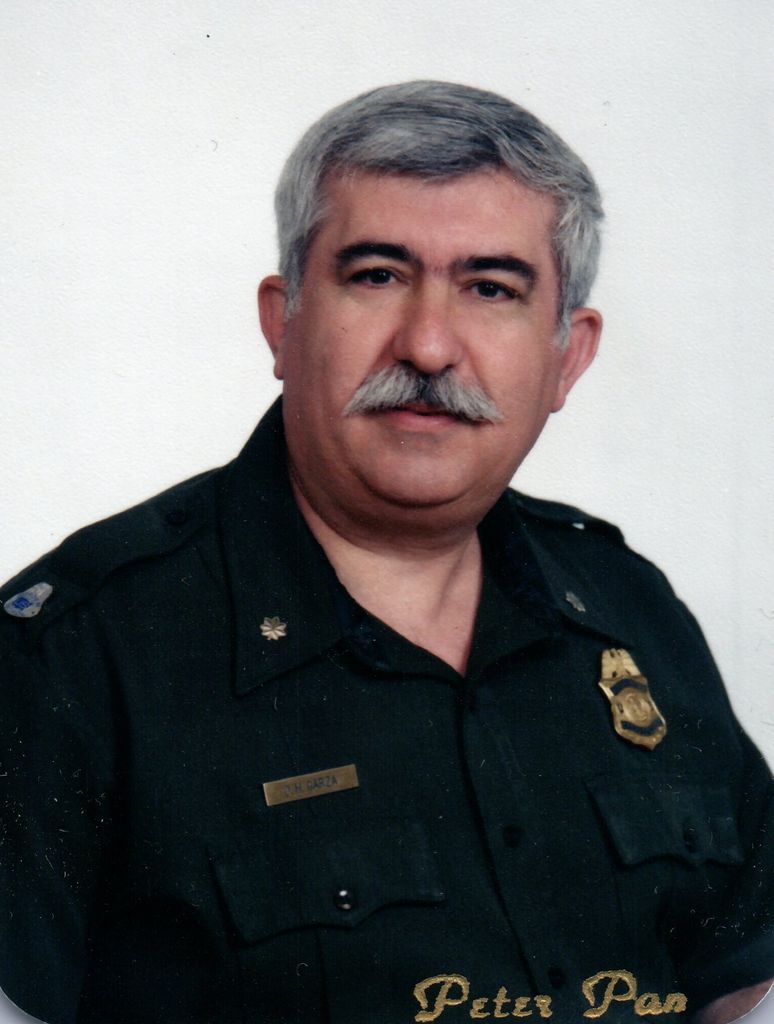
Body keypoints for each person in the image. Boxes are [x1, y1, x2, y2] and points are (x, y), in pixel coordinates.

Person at [0, 81, 771, 1024]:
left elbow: (744, 982)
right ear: (283, 320)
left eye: (491, 289)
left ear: (568, 356)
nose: (430, 346)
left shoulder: (631, 607)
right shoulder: (71, 658)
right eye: (377, 276)